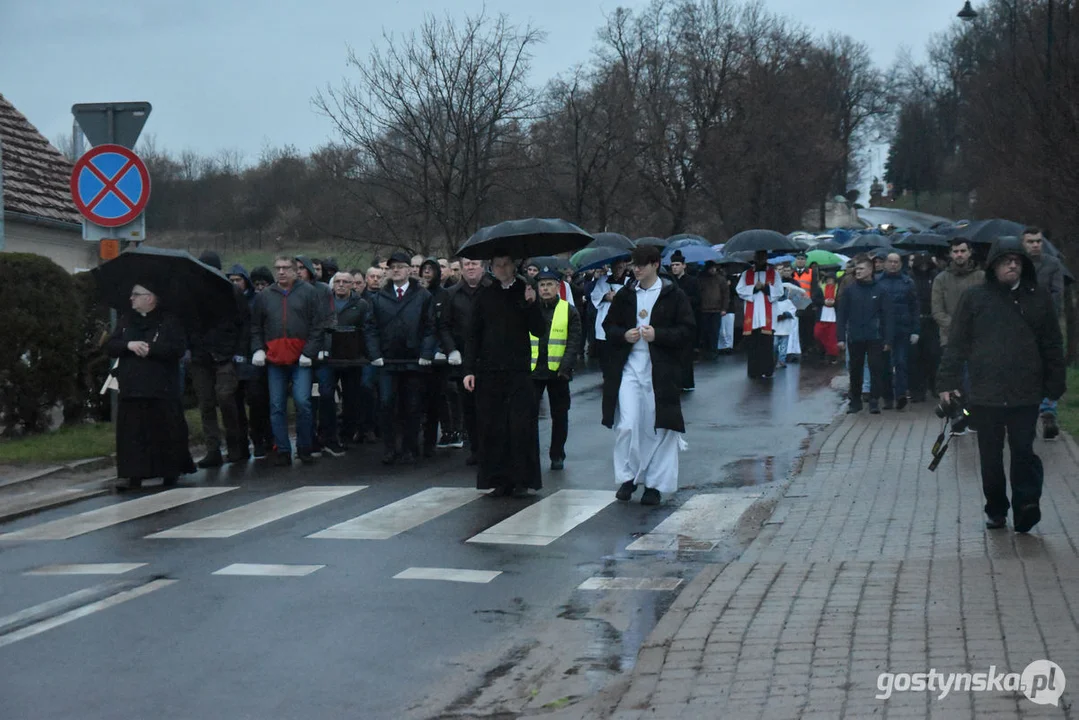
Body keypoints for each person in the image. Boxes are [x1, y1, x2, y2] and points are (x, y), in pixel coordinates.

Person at [937, 237, 1065, 533]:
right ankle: (996, 508)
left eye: (1017, 261)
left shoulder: (1038, 297)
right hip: (985, 393)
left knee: (1023, 452)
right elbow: (957, 344)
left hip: (1025, 391)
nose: (1012, 265)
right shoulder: (975, 298)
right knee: (991, 458)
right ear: (993, 265)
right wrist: (948, 383)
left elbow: (1052, 344)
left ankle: (1026, 505)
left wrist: (1054, 383)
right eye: (1006, 260)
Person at [602, 245, 695, 506]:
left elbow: (688, 331)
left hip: (661, 370)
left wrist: (659, 336)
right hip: (631, 367)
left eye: (642, 264)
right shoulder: (625, 295)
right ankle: (628, 477)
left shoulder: (672, 294)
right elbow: (608, 326)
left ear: (655, 264)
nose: (637, 268)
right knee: (628, 424)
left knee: (659, 427)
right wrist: (623, 335)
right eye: (634, 264)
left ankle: (654, 485)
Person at [462, 254, 547, 497]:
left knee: (520, 427)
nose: (501, 269)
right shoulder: (486, 294)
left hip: (518, 370)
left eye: (506, 264)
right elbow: (473, 335)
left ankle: (522, 478)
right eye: (497, 265)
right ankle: (498, 478)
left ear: (513, 266)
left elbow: (539, 330)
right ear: (492, 267)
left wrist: (531, 305)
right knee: (493, 427)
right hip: (490, 370)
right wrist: (469, 369)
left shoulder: (526, 290)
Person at [107, 283, 195, 490]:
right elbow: (110, 345)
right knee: (133, 433)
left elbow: (178, 349)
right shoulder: (127, 320)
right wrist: (129, 345)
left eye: (136, 295)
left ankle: (169, 471)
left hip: (160, 387)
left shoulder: (169, 321)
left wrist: (151, 350)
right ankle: (132, 474)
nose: (132, 299)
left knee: (163, 431)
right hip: (132, 386)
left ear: (150, 298)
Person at [250, 256, 324, 466]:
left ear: (295, 271)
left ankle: (304, 446)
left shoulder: (309, 293)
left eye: (285, 268)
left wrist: (309, 352)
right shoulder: (265, 296)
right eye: (278, 268)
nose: (281, 272)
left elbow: (318, 325)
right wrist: (258, 350)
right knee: (276, 406)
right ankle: (283, 449)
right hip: (275, 360)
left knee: (303, 402)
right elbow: (256, 326)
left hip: (301, 360)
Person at [364, 251, 436, 465]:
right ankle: (389, 447)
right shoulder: (378, 298)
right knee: (386, 403)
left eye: (400, 266)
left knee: (412, 405)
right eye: (392, 267)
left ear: (409, 270)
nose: (396, 270)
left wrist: (426, 352)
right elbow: (371, 328)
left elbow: (430, 327)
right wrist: (375, 353)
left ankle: (410, 447)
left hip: (413, 360)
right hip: (387, 361)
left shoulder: (423, 296)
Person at [440, 257, 491, 463]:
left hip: (488, 357)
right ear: (461, 269)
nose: (470, 267)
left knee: (488, 406)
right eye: (467, 264)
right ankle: (475, 448)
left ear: (483, 267)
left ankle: (490, 448)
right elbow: (443, 325)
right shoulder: (450, 294)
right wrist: (451, 349)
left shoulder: (492, 290)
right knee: (468, 406)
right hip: (462, 358)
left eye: (474, 264)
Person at [531, 266, 583, 471]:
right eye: (541, 285)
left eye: (549, 285)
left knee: (560, 416)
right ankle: (531, 454)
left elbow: (574, 341)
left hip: (558, 373)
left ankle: (557, 454)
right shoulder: (530, 309)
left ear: (558, 287)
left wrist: (565, 367)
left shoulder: (568, 310)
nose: (545, 289)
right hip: (534, 372)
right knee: (528, 416)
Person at [1022, 227, 1066, 440]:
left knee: (1049, 367)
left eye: (1038, 241)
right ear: (1023, 243)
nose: (1035, 245)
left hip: (1046, 324)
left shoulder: (1052, 264)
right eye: (1030, 241)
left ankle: (1048, 411)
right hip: (1021, 325)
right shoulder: (1017, 264)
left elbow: (1058, 294)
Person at [836, 254, 894, 414]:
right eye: (856, 268)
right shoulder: (850, 290)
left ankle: (874, 400)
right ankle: (855, 401)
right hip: (855, 336)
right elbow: (842, 315)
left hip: (875, 336)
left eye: (861, 268)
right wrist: (840, 337)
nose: (857, 271)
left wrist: (888, 339)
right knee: (855, 370)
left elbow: (887, 316)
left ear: (870, 270)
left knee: (876, 369)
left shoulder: (880, 290)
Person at [877, 252, 920, 410]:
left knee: (901, 363)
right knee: (885, 365)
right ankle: (887, 397)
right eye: (891, 261)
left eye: (896, 262)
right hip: (882, 331)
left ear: (900, 264)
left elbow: (915, 307)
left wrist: (916, 330)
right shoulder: (878, 281)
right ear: (885, 263)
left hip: (903, 329)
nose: (893, 264)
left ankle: (900, 394)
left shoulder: (908, 282)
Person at [735, 250, 784, 379]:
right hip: (752, 313)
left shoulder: (774, 274)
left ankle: (767, 370)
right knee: (753, 343)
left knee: (766, 344)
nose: (760, 259)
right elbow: (739, 290)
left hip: (767, 313)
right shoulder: (747, 274)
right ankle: (754, 371)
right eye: (758, 257)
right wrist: (754, 288)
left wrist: (765, 287)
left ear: (766, 258)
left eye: (763, 257)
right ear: (754, 258)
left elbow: (779, 291)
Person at [668, 252, 699, 388]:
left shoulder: (692, 281)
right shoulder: (669, 281)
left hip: (687, 319)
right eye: (673, 265)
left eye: (677, 265)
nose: (674, 268)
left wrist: (683, 299)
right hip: (672, 320)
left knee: (686, 353)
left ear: (684, 266)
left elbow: (698, 300)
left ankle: (686, 382)